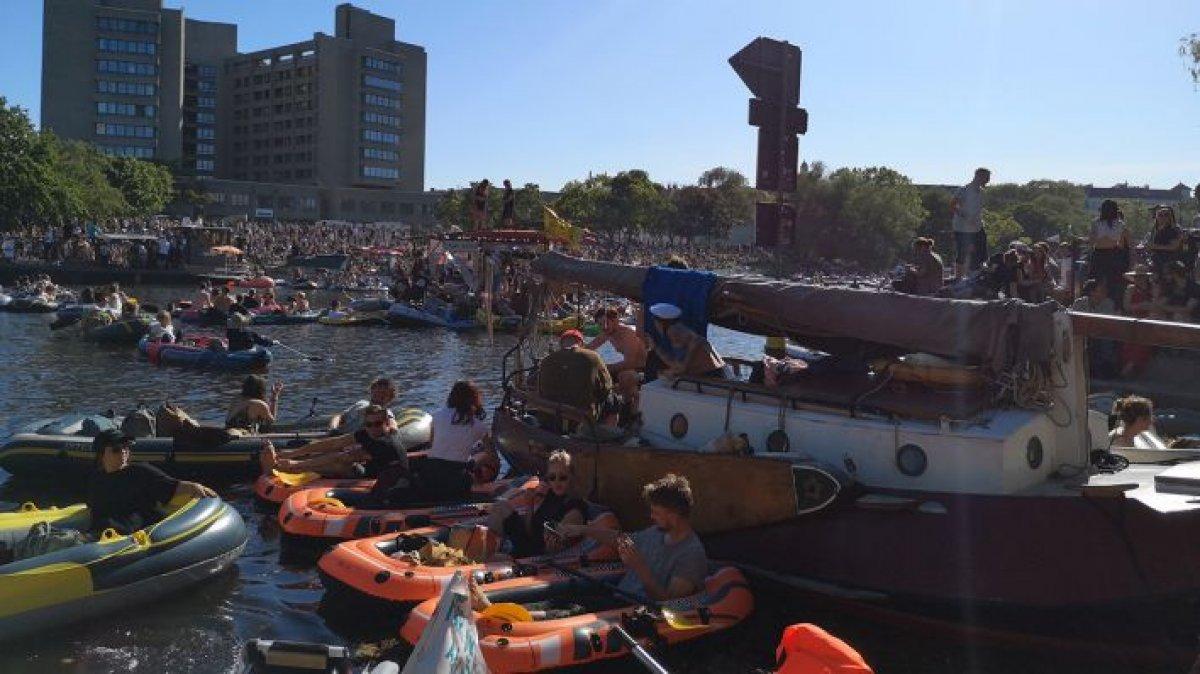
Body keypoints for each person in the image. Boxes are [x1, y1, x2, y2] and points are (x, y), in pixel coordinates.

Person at [557, 473, 707, 601]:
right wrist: (583, 530)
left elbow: (668, 603)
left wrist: (639, 566)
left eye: (656, 512)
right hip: (615, 600)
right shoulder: (656, 533)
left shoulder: (691, 555)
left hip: (634, 612)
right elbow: (620, 540)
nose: (652, 516)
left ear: (673, 515)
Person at [88, 430, 217, 535]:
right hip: (105, 531)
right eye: (116, 449)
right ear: (101, 455)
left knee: (110, 525)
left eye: (126, 447)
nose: (123, 451)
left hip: (136, 529)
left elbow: (171, 486)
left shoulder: (139, 471)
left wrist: (195, 487)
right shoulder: (97, 478)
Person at [259, 404, 410, 481]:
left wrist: (296, 463)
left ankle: (281, 469)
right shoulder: (368, 433)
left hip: (383, 481)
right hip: (371, 471)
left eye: (377, 424)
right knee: (335, 455)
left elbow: (342, 457)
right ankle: (281, 466)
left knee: (338, 464)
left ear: (386, 423)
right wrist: (293, 453)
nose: (372, 428)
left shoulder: (385, 442)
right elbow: (334, 443)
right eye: (368, 424)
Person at [486, 450, 587, 558]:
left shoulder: (575, 508)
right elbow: (530, 529)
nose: (557, 482)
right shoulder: (551, 496)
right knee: (500, 506)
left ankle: (490, 552)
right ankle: (490, 547)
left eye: (562, 477)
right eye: (552, 478)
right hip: (527, 543)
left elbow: (554, 548)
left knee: (494, 558)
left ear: (572, 478)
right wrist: (529, 504)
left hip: (537, 555)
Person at [424, 381, 492, 497]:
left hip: (430, 475)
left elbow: (431, 445)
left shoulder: (436, 416)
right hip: (457, 479)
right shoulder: (478, 425)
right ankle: (482, 484)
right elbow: (490, 453)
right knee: (484, 453)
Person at [586, 305, 648, 408]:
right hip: (620, 369)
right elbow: (587, 349)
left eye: (606, 323)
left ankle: (630, 407)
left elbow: (630, 363)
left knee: (625, 376)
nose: (604, 327)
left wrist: (604, 369)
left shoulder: (628, 334)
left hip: (639, 370)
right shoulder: (606, 333)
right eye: (600, 324)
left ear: (615, 320)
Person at [648, 303, 729, 379]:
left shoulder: (673, 332)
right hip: (720, 372)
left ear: (660, 322)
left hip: (710, 377)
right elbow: (679, 364)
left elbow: (680, 368)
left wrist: (655, 348)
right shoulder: (681, 329)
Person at [1088, 199, 1130, 307]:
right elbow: (1092, 241)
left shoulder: (1120, 224)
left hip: (1110, 255)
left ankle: (1112, 306)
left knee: (1112, 283)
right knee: (1098, 282)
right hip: (1104, 255)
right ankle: (1096, 305)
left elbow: (1092, 241)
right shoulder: (1097, 223)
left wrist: (1105, 241)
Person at [951, 167, 990, 278]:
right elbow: (953, 205)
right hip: (962, 228)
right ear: (978, 176)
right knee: (962, 253)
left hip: (977, 227)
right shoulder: (964, 190)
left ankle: (976, 276)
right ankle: (958, 278)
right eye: (986, 178)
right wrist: (965, 216)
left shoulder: (981, 192)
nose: (988, 181)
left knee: (981, 252)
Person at [330, 377, 397, 433]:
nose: (380, 395)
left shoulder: (385, 412)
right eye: (378, 391)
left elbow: (392, 424)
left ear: (390, 398)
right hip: (337, 434)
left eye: (384, 393)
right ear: (372, 390)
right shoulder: (361, 404)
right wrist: (333, 428)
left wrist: (391, 428)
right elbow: (339, 416)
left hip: (353, 439)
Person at [1147, 206, 1185, 276]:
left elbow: (1173, 247)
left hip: (1171, 259)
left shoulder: (1175, 229)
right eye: (1160, 215)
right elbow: (1149, 245)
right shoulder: (1154, 230)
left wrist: (1156, 247)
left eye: (1166, 215)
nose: (1163, 217)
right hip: (1155, 260)